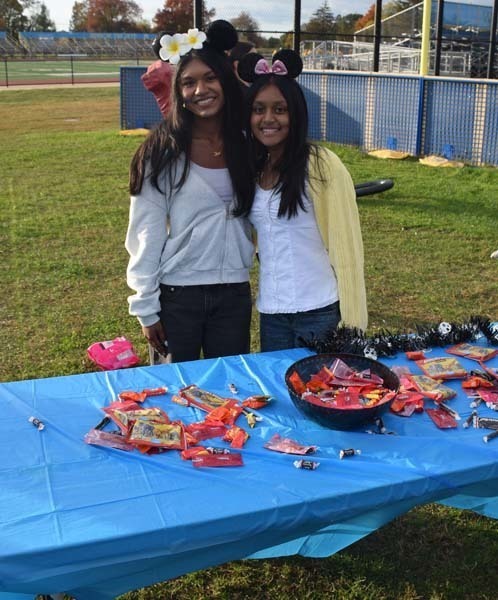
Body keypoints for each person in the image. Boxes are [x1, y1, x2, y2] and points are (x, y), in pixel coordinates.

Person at [126, 20, 255, 363]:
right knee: (173, 400)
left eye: (210, 78)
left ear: (225, 80)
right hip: (177, 296)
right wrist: (146, 307)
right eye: (188, 82)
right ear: (178, 92)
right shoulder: (161, 151)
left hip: (234, 294)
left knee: (229, 392)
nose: (201, 90)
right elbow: (145, 232)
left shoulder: (248, 144)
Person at [237, 49, 368, 352]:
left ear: (295, 113)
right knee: (283, 393)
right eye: (259, 109)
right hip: (272, 314)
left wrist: (353, 322)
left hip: (319, 311)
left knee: (325, 393)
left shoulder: (322, 165)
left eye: (279, 109)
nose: (268, 119)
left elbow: (347, 246)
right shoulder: (251, 167)